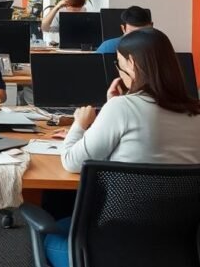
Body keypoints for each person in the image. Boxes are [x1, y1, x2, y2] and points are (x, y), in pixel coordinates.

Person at [44, 28, 200, 267]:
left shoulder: (122, 108)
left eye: (119, 64)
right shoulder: (196, 113)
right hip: (177, 246)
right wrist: (112, 108)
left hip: (109, 246)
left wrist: (79, 124)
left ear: (133, 65)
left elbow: (71, 161)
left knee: (48, 233)